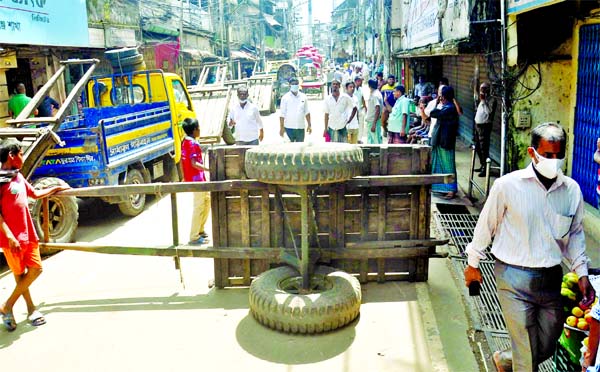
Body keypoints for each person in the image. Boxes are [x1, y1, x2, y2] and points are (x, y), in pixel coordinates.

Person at [464, 122, 596, 372]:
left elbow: (575, 235)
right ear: (532, 153)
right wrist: (473, 265)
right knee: (525, 352)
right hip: (512, 277)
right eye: (548, 155)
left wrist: (582, 273)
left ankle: (505, 361)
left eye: (559, 155)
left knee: (547, 342)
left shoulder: (572, 191)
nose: (554, 161)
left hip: (550, 278)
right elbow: (485, 227)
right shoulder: (507, 186)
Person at [0, 140, 70, 331]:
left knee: (36, 269)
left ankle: (7, 305)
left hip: (28, 233)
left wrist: (54, 189)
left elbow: (35, 194)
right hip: (10, 239)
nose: (23, 157)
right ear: (12, 156)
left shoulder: (18, 177)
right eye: (21, 153)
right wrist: (10, 236)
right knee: (19, 273)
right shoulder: (0, 180)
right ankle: (30, 309)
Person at [180, 118, 211, 245]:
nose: (200, 130)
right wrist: (209, 169)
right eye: (198, 128)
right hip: (197, 179)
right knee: (199, 206)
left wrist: (184, 176)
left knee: (207, 201)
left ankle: (200, 230)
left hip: (197, 179)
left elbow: (182, 161)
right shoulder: (193, 144)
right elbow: (194, 163)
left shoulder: (185, 141)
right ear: (194, 130)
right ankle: (194, 236)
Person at [429, 86, 459, 199]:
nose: (440, 97)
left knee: (448, 166)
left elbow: (433, 113)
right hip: (440, 140)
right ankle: (441, 187)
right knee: (439, 164)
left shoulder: (450, 108)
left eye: (441, 95)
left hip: (446, 142)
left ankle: (451, 189)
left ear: (444, 96)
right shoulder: (446, 106)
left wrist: (437, 102)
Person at [473, 82, 496, 177]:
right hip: (478, 125)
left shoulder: (491, 100)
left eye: (484, 88)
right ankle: (482, 164)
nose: (482, 90)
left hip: (484, 126)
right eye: (481, 88)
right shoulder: (482, 99)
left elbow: (488, 112)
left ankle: (485, 168)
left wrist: (483, 101)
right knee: (477, 147)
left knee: (484, 148)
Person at [279, 77, 312, 142]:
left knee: (300, 148)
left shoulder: (303, 97)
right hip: (289, 128)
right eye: (293, 84)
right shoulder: (285, 98)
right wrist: (281, 128)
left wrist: (309, 125)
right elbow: (282, 114)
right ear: (289, 85)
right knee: (289, 149)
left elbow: (307, 112)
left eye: (296, 84)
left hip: (300, 127)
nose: (295, 85)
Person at [380, 75, 398, 139]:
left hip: (395, 106)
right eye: (389, 79)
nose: (391, 80)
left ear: (394, 80)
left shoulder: (397, 87)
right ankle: (385, 129)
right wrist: (383, 106)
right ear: (387, 80)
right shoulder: (384, 88)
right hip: (386, 106)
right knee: (383, 120)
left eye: (392, 79)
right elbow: (381, 98)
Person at [365, 78, 383, 144]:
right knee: (371, 140)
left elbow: (377, 109)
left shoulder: (375, 95)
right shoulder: (376, 93)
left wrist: (374, 124)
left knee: (376, 141)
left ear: (369, 86)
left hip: (373, 121)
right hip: (372, 121)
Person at [353, 76, 367, 143]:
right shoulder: (352, 89)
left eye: (361, 81)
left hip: (360, 110)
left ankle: (359, 139)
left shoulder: (361, 89)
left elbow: (362, 98)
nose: (361, 82)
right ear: (355, 82)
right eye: (359, 81)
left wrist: (365, 107)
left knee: (361, 125)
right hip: (354, 110)